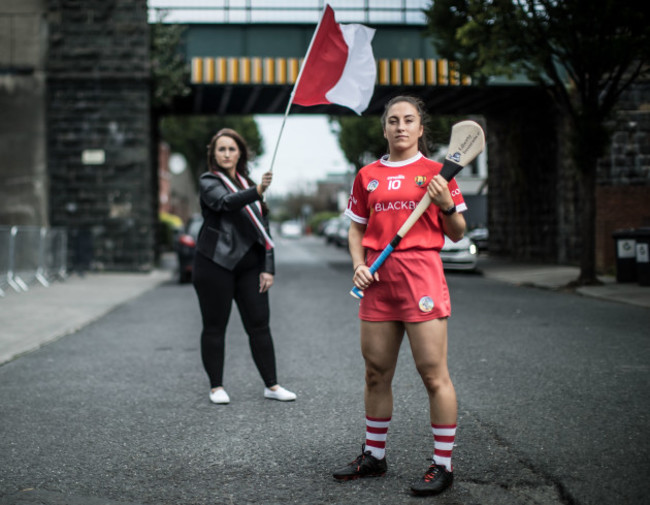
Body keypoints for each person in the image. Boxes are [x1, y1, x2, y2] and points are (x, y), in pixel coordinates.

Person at [332, 96, 466, 496]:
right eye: (393, 120)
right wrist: (358, 262)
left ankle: (443, 464)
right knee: (376, 372)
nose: (400, 126)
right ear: (384, 128)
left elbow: (457, 231)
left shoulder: (438, 173)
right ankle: (374, 455)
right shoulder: (367, 175)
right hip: (377, 278)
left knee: (432, 373)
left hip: (421, 276)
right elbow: (357, 228)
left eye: (409, 120)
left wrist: (445, 205)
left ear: (421, 128)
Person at [192, 128, 296, 405]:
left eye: (232, 149)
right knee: (215, 326)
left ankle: (271, 386)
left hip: (251, 267)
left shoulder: (247, 182)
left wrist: (268, 267)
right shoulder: (208, 181)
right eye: (221, 149)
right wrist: (257, 190)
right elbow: (225, 203)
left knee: (260, 325)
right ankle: (216, 387)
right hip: (215, 264)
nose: (226, 153)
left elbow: (264, 228)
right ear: (214, 155)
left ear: (240, 153)